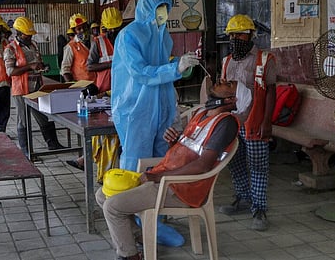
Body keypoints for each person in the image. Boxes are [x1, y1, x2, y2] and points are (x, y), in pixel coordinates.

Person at [96, 80, 241, 260]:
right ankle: (137, 236)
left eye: (229, 84)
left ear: (231, 99)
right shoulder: (202, 114)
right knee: (102, 194)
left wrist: (158, 177)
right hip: (167, 177)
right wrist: (174, 143)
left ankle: (130, 255)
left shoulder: (225, 123)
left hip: (182, 188)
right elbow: (190, 149)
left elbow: (203, 165)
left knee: (112, 207)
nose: (222, 80)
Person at [111, 0, 199, 171]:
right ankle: (131, 200)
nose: (163, 13)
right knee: (136, 163)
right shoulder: (129, 36)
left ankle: (155, 198)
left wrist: (180, 64)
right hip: (136, 109)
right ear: (147, 6)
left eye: (166, 7)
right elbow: (140, 72)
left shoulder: (163, 36)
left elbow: (162, 67)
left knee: (161, 161)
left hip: (161, 107)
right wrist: (175, 69)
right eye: (159, 7)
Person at [218, 14, 276, 232]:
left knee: (258, 166)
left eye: (239, 34)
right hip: (233, 123)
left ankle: (259, 209)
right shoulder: (227, 62)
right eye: (231, 35)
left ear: (251, 35)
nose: (235, 39)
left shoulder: (264, 59)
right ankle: (242, 199)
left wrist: (267, 121)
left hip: (255, 122)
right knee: (235, 162)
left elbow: (271, 90)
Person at [66, 7, 124, 180]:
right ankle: (101, 168)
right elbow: (90, 66)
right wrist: (112, 65)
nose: (113, 31)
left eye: (116, 28)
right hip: (103, 93)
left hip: (122, 91)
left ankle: (96, 164)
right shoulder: (98, 43)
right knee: (104, 132)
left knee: (112, 134)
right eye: (110, 28)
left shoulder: (126, 39)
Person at [4, 16, 65, 153]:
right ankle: (26, 151)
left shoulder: (33, 45)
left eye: (31, 34)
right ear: (18, 33)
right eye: (27, 34)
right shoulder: (10, 49)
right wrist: (30, 66)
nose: (30, 37)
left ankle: (53, 143)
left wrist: (42, 67)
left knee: (43, 116)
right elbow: (10, 71)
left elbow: (38, 63)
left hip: (37, 87)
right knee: (23, 120)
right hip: (21, 90)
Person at [60, 13, 96, 83]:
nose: (82, 30)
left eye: (84, 27)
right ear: (74, 31)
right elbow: (65, 70)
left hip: (99, 83)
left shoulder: (95, 40)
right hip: (83, 86)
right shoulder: (71, 46)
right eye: (79, 29)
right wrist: (73, 87)